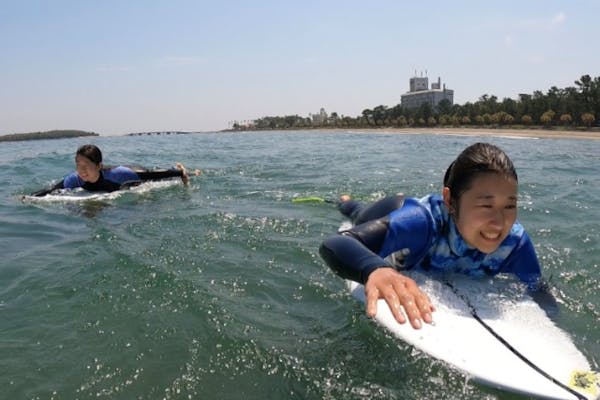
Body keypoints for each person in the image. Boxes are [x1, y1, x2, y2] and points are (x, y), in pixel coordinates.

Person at [319, 142, 553, 330]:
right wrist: (374, 269)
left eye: (509, 206)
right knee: (359, 213)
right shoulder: (421, 224)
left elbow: (538, 291)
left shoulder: (515, 243)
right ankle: (347, 202)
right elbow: (337, 242)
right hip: (392, 210)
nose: (500, 223)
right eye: (486, 206)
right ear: (450, 200)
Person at [31, 144, 201, 197]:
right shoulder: (73, 179)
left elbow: (153, 176)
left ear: (98, 166)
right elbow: (51, 191)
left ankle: (184, 169)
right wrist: (28, 198)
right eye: (78, 165)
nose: (81, 171)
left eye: (86, 167)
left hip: (133, 171)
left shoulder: (119, 175)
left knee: (156, 178)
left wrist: (180, 174)